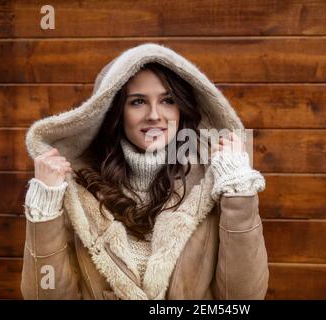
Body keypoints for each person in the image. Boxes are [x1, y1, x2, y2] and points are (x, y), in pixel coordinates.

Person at [21, 43, 269, 300]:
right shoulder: (75, 187)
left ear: (181, 109)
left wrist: (239, 192)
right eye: (138, 102)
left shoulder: (213, 182)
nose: (154, 115)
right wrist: (45, 206)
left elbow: (243, 299)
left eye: (167, 100)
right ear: (115, 112)